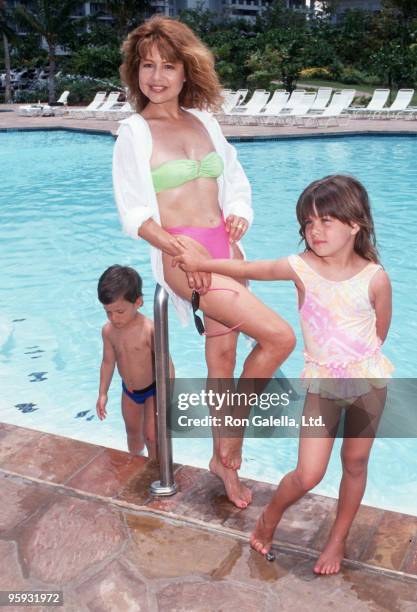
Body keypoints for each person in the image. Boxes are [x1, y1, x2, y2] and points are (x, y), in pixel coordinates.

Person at [112, 16, 295, 508]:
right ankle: (233, 438)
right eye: (147, 65)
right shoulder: (134, 132)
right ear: (135, 71)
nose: (157, 76)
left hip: (223, 250)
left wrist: (238, 215)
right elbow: (134, 215)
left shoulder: (206, 121)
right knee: (280, 336)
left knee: (224, 361)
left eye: (168, 65)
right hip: (180, 252)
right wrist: (181, 251)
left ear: (186, 70)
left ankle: (222, 463)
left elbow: (234, 182)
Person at [173, 174, 394, 574]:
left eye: (326, 220)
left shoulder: (375, 277)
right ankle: (269, 517)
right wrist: (202, 263)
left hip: (368, 383)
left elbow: (379, 331)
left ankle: (337, 540)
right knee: (308, 473)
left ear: (355, 224)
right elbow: (254, 269)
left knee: (356, 462)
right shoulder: (301, 268)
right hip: (323, 386)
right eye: (308, 223)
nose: (315, 230)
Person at [96, 265, 158, 459]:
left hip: (153, 390)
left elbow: (166, 363)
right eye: (108, 312)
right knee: (133, 434)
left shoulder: (149, 330)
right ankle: (136, 463)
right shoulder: (109, 332)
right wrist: (102, 393)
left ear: (138, 302)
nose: (114, 318)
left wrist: (168, 393)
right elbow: (108, 362)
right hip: (130, 392)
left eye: (120, 311)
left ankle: (155, 467)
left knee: (152, 435)